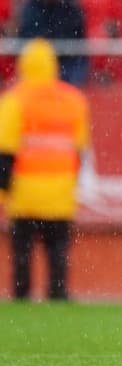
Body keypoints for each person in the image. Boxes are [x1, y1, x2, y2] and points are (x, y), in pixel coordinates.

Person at [0, 39, 90, 301]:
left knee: (22, 251)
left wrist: (3, 190)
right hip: (60, 193)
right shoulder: (74, 100)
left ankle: (22, 294)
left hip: (25, 192)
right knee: (58, 249)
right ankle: (58, 293)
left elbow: (5, 153)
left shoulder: (14, 100)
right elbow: (79, 150)